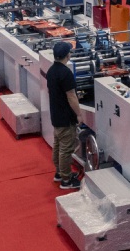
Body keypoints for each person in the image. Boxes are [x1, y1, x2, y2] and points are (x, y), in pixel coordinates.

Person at [46, 41, 81, 190]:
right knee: (66, 149)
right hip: (66, 117)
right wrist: (79, 114)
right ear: (67, 55)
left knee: (58, 145)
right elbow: (71, 96)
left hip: (56, 115)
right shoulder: (66, 73)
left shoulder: (51, 71)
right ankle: (66, 180)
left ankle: (59, 173)